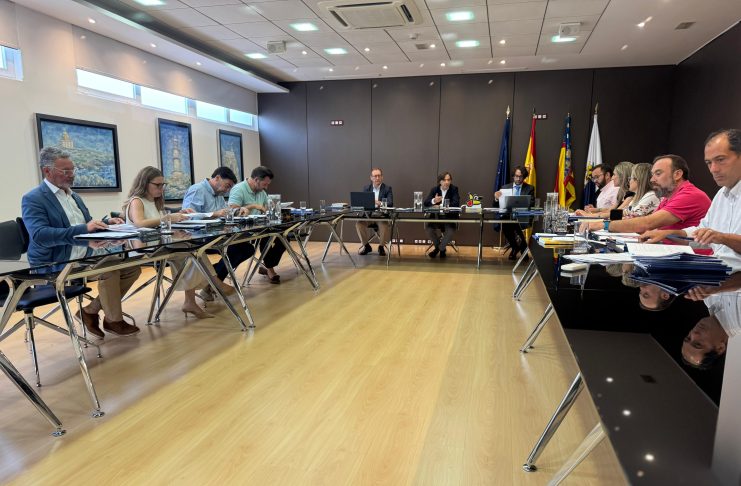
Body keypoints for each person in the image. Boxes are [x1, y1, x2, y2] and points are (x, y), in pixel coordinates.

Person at [21, 147, 142, 338]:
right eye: (65, 171)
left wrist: (106, 223)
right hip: (55, 263)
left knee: (132, 268)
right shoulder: (34, 198)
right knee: (110, 270)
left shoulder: (74, 196)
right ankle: (113, 321)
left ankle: (90, 311)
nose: (71, 175)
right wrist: (84, 229)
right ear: (47, 171)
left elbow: (86, 224)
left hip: (83, 255)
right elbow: (40, 235)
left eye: (73, 169)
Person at [124, 166, 237, 318]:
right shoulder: (137, 201)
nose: (161, 188)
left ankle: (196, 297)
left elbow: (159, 224)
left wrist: (178, 215)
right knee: (191, 251)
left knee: (192, 249)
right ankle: (213, 284)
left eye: (163, 185)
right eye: (157, 185)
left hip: (158, 244)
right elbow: (140, 223)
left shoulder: (153, 202)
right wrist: (168, 218)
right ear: (144, 183)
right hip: (143, 248)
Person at [641, 130, 741, 271]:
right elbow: (702, 232)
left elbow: (716, 237)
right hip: (717, 271)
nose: (713, 169)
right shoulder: (721, 194)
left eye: (720, 159)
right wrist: (671, 234)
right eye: (709, 163)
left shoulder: (692, 194)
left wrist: (722, 238)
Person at [182, 167, 257, 299]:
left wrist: (238, 210)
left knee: (247, 249)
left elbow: (225, 212)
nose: (227, 190)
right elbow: (187, 217)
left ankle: (210, 283)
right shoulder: (197, 189)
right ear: (217, 178)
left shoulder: (219, 195)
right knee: (238, 249)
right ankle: (213, 282)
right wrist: (214, 214)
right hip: (196, 237)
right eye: (227, 186)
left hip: (216, 235)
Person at [589, 154, 711, 234]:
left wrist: (603, 224)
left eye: (658, 174)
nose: (652, 180)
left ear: (677, 174)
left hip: (687, 258)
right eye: (652, 175)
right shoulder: (667, 197)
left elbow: (647, 223)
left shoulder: (689, 195)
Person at [228, 166, 285, 283]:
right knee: (269, 237)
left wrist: (273, 209)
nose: (266, 187)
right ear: (256, 180)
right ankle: (269, 269)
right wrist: (253, 206)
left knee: (283, 237)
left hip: (258, 227)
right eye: (265, 184)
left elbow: (265, 209)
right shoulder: (239, 189)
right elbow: (232, 210)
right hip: (241, 230)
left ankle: (267, 265)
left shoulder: (261, 192)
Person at [577, 162, 659, 219]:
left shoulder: (649, 195)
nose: (612, 178)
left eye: (631, 178)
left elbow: (621, 215)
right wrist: (593, 213)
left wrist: (591, 216)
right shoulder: (634, 195)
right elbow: (620, 213)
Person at [494, 166, 535, 260]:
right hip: (508, 216)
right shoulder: (505, 187)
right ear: (513, 176)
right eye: (516, 176)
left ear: (524, 177)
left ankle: (521, 249)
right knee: (505, 223)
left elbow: (531, 203)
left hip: (522, 216)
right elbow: (496, 205)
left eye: (521, 176)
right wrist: (496, 198)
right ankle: (516, 247)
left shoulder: (529, 188)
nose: (518, 179)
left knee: (517, 224)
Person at [356, 167, 393, 256]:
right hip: (369, 215)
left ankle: (381, 247)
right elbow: (363, 202)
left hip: (381, 216)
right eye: (375, 176)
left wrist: (377, 202)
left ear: (382, 177)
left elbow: (390, 203)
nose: (377, 178)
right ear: (371, 178)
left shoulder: (387, 188)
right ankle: (366, 246)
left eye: (379, 176)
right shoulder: (366, 188)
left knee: (384, 225)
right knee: (359, 224)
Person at [424, 171, 460, 258]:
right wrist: (434, 200)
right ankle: (442, 249)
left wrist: (441, 205)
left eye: (448, 180)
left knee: (450, 231)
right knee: (429, 229)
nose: (447, 182)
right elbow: (426, 202)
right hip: (436, 217)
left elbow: (456, 203)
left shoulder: (454, 189)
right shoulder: (434, 190)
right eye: (444, 180)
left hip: (449, 217)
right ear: (440, 181)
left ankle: (438, 249)